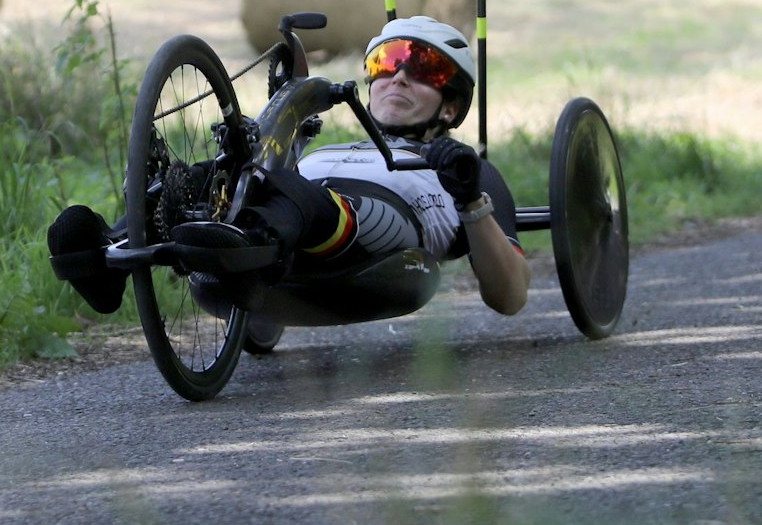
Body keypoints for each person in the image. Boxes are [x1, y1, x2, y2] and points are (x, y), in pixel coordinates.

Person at [48, 16, 530, 318]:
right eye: (387, 63)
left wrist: (468, 197)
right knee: (215, 175)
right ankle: (105, 251)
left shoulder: (466, 171)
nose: (399, 76)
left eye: (425, 69)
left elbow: (509, 296)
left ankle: (246, 251)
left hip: (367, 232)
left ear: (450, 107)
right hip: (294, 208)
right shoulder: (326, 150)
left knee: (298, 195)